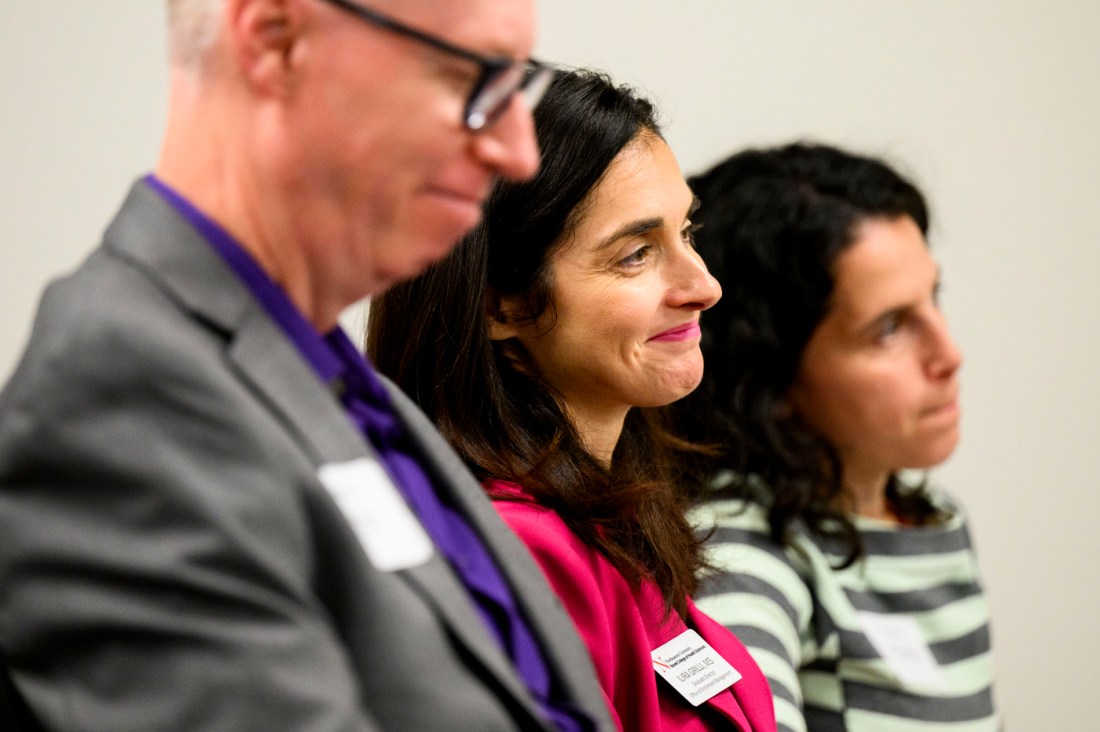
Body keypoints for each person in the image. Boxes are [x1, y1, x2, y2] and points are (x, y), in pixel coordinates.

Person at [0, 1, 618, 731]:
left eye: (519, 86)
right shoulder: (122, 391)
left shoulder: (334, 382)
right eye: (473, 78)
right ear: (275, 45)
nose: (518, 152)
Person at [367, 68, 776, 732]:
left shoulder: (609, 521)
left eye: (687, 232)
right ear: (502, 305)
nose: (704, 286)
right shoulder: (521, 555)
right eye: (636, 254)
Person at [676, 142, 999, 731]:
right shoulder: (737, 552)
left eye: (934, 298)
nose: (949, 355)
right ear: (772, 376)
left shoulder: (928, 512)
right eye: (890, 328)